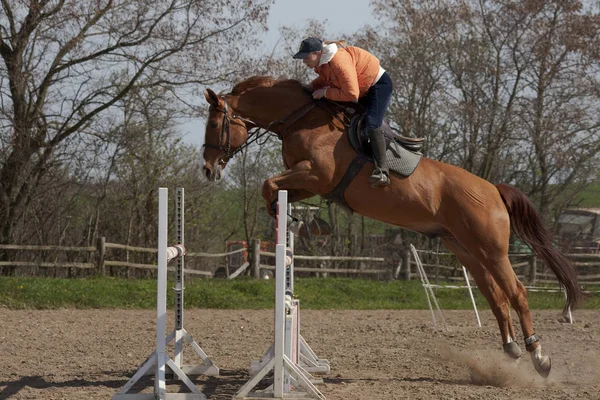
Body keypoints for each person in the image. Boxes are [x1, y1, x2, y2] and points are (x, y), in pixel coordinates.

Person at [293, 37, 393, 187]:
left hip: (378, 86)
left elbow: (352, 94)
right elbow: (326, 80)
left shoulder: (338, 61)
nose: (304, 61)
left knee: (372, 123)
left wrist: (325, 93)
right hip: (361, 89)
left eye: (306, 57)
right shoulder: (323, 63)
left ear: (318, 53)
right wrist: (308, 88)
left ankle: (382, 171)